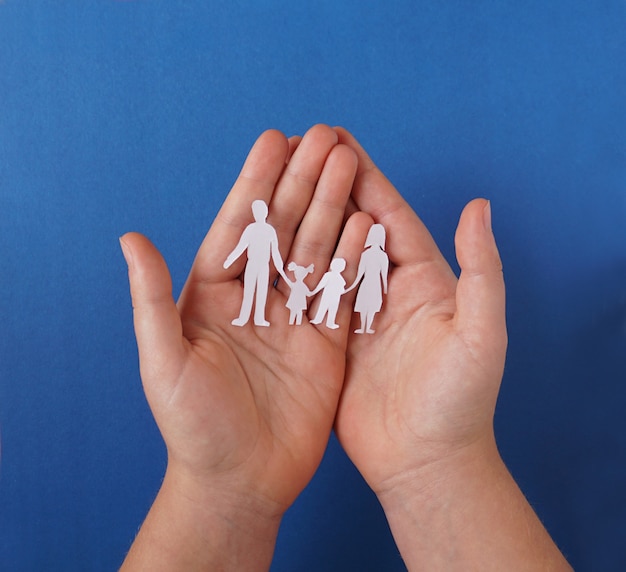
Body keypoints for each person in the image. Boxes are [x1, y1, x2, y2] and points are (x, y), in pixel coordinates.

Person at [118, 124, 573, 571]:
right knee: (257, 296)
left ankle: (269, 313)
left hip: (352, 297)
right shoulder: (261, 235)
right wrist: (221, 488)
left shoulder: (360, 256)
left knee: (320, 302)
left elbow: (342, 275)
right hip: (289, 286)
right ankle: (254, 313)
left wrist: (442, 463)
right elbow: (260, 256)